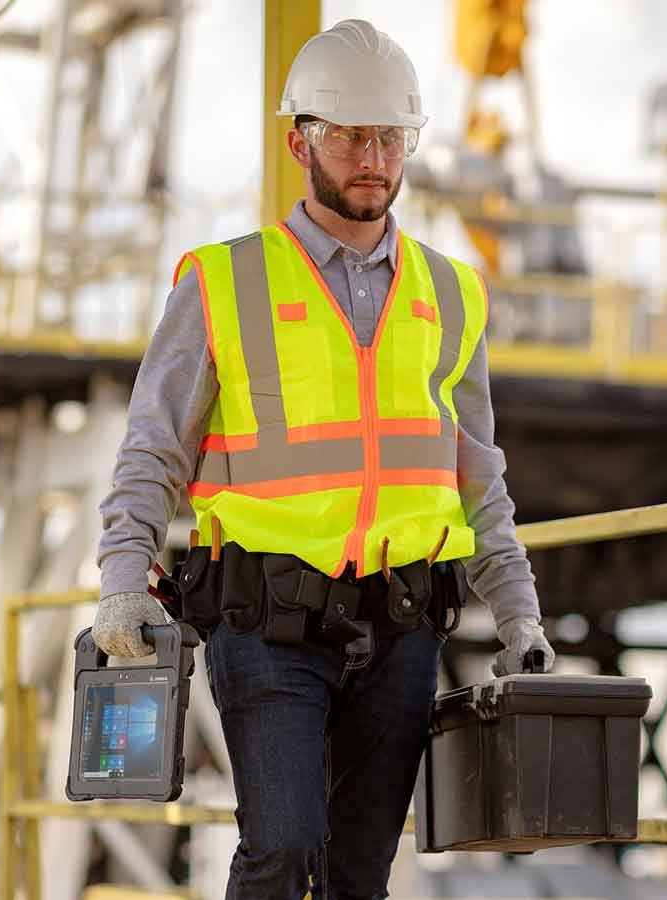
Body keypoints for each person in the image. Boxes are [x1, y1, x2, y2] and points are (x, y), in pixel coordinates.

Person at [93, 18, 554, 900]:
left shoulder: (452, 293)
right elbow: (152, 445)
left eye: (390, 137)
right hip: (266, 621)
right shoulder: (222, 283)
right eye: (348, 136)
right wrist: (121, 580)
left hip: (403, 625)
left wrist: (519, 615)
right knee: (282, 847)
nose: (372, 159)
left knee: (361, 872)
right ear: (299, 141)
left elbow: (477, 474)